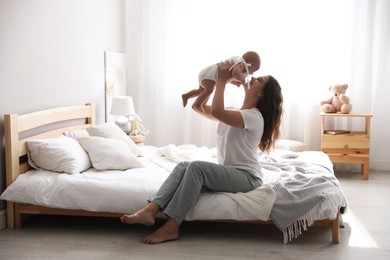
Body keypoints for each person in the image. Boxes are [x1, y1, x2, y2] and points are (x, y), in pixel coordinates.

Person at [120, 60, 283, 244]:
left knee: (197, 168)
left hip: (247, 177)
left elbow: (218, 111)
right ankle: (149, 211)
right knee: (184, 166)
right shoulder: (236, 113)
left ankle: (171, 227)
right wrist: (210, 86)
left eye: (258, 80)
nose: (252, 78)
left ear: (261, 93)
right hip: (231, 172)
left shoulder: (253, 117)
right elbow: (199, 107)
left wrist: (222, 80)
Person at [181, 51, 261, 111]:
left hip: (208, 74)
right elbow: (235, 73)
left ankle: (186, 96)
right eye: (254, 70)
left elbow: (230, 77)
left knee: (201, 91)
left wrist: (236, 82)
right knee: (209, 90)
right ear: (250, 64)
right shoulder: (241, 63)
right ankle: (197, 104)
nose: (252, 73)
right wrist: (243, 81)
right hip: (211, 74)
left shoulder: (237, 64)